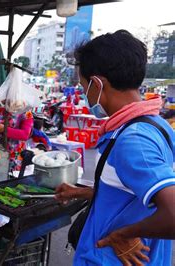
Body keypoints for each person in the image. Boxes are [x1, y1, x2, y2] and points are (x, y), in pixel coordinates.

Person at [55, 30, 174, 265]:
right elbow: (135, 194)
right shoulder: (155, 125)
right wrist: (82, 192)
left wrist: (123, 234)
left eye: (83, 86)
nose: (83, 94)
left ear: (98, 84)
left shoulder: (134, 140)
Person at [0, 106, 34, 172]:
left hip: (14, 154)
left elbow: (25, 135)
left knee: (9, 176)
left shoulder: (26, 114)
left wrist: (4, 129)